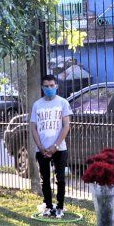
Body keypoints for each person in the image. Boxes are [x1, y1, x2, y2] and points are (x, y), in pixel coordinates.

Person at [29, 74, 71, 217]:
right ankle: (48, 205)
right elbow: (33, 127)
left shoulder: (63, 103)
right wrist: (41, 147)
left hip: (59, 148)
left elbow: (66, 126)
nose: (49, 88)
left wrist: (55, 146)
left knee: (60, 179)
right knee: (44, 179)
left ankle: (60, 206)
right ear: (42, 87)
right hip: (42, 149)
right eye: (46, 86)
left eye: (52, 85)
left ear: (56, 86)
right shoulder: (37, 104)